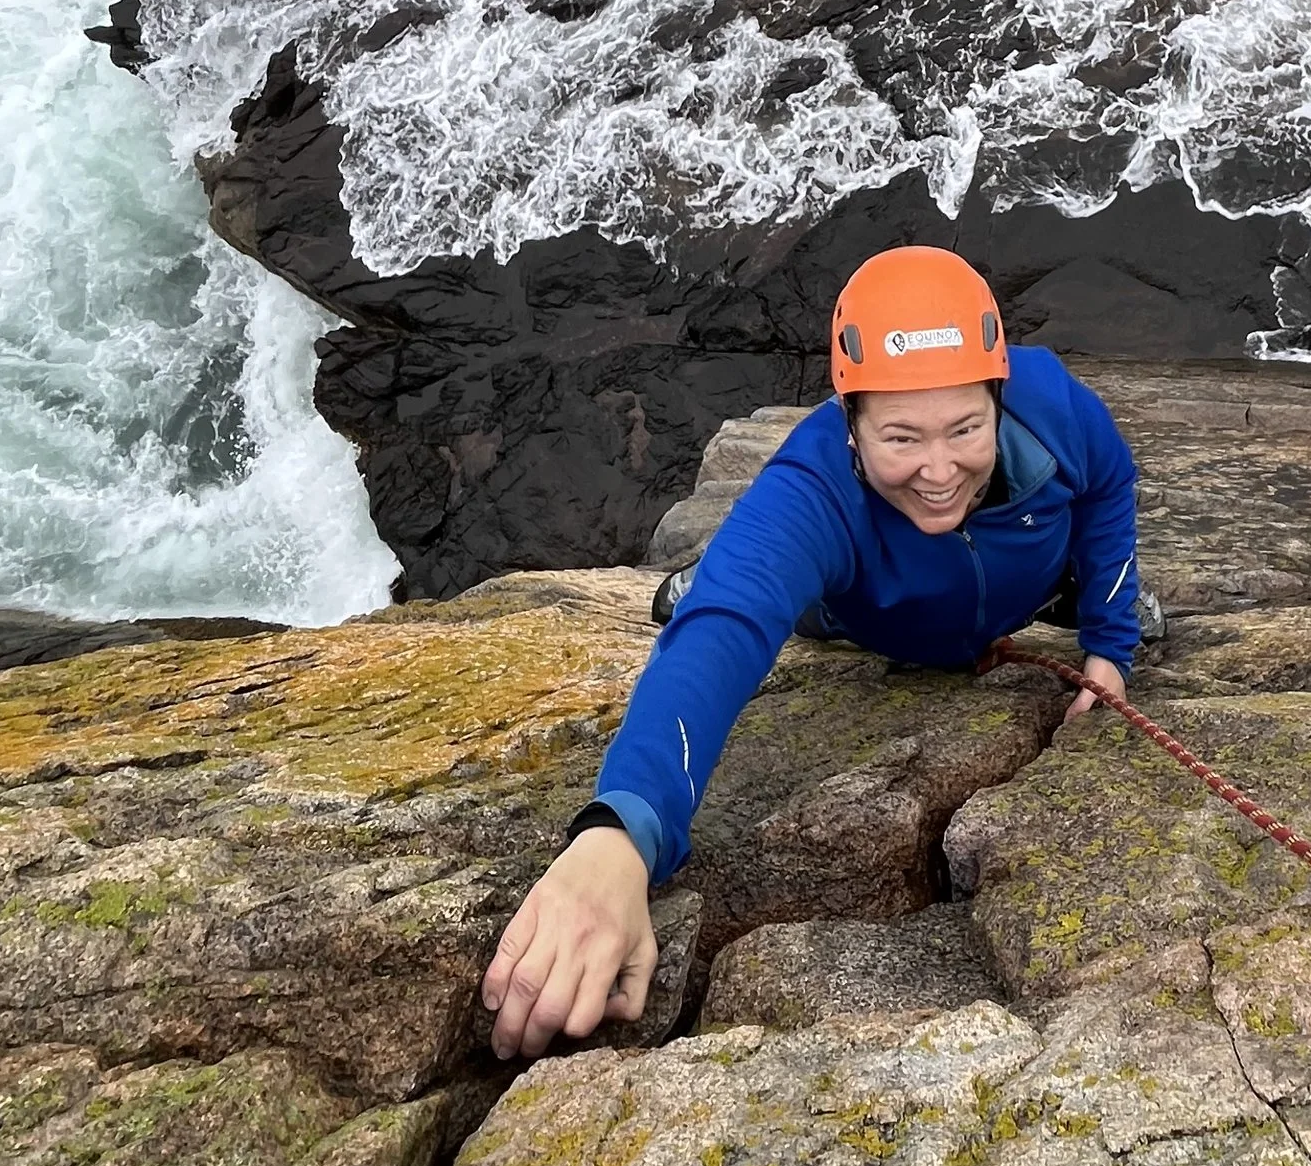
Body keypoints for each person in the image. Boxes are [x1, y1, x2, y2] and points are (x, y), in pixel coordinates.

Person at [481, 246, 1147, 1060]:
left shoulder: (1052, 408)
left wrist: (1109, 639)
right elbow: (722, 642)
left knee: (1100, 587)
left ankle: (1079, 597)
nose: (940, 471)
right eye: (901, 436)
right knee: (749, 592)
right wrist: (620, 832)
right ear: (851, 422)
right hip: (864, 614)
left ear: (999, 397)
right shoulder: (814, 486)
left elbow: (1110, 484)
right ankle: (714, 568)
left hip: (1024, 586)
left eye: (967, 428)